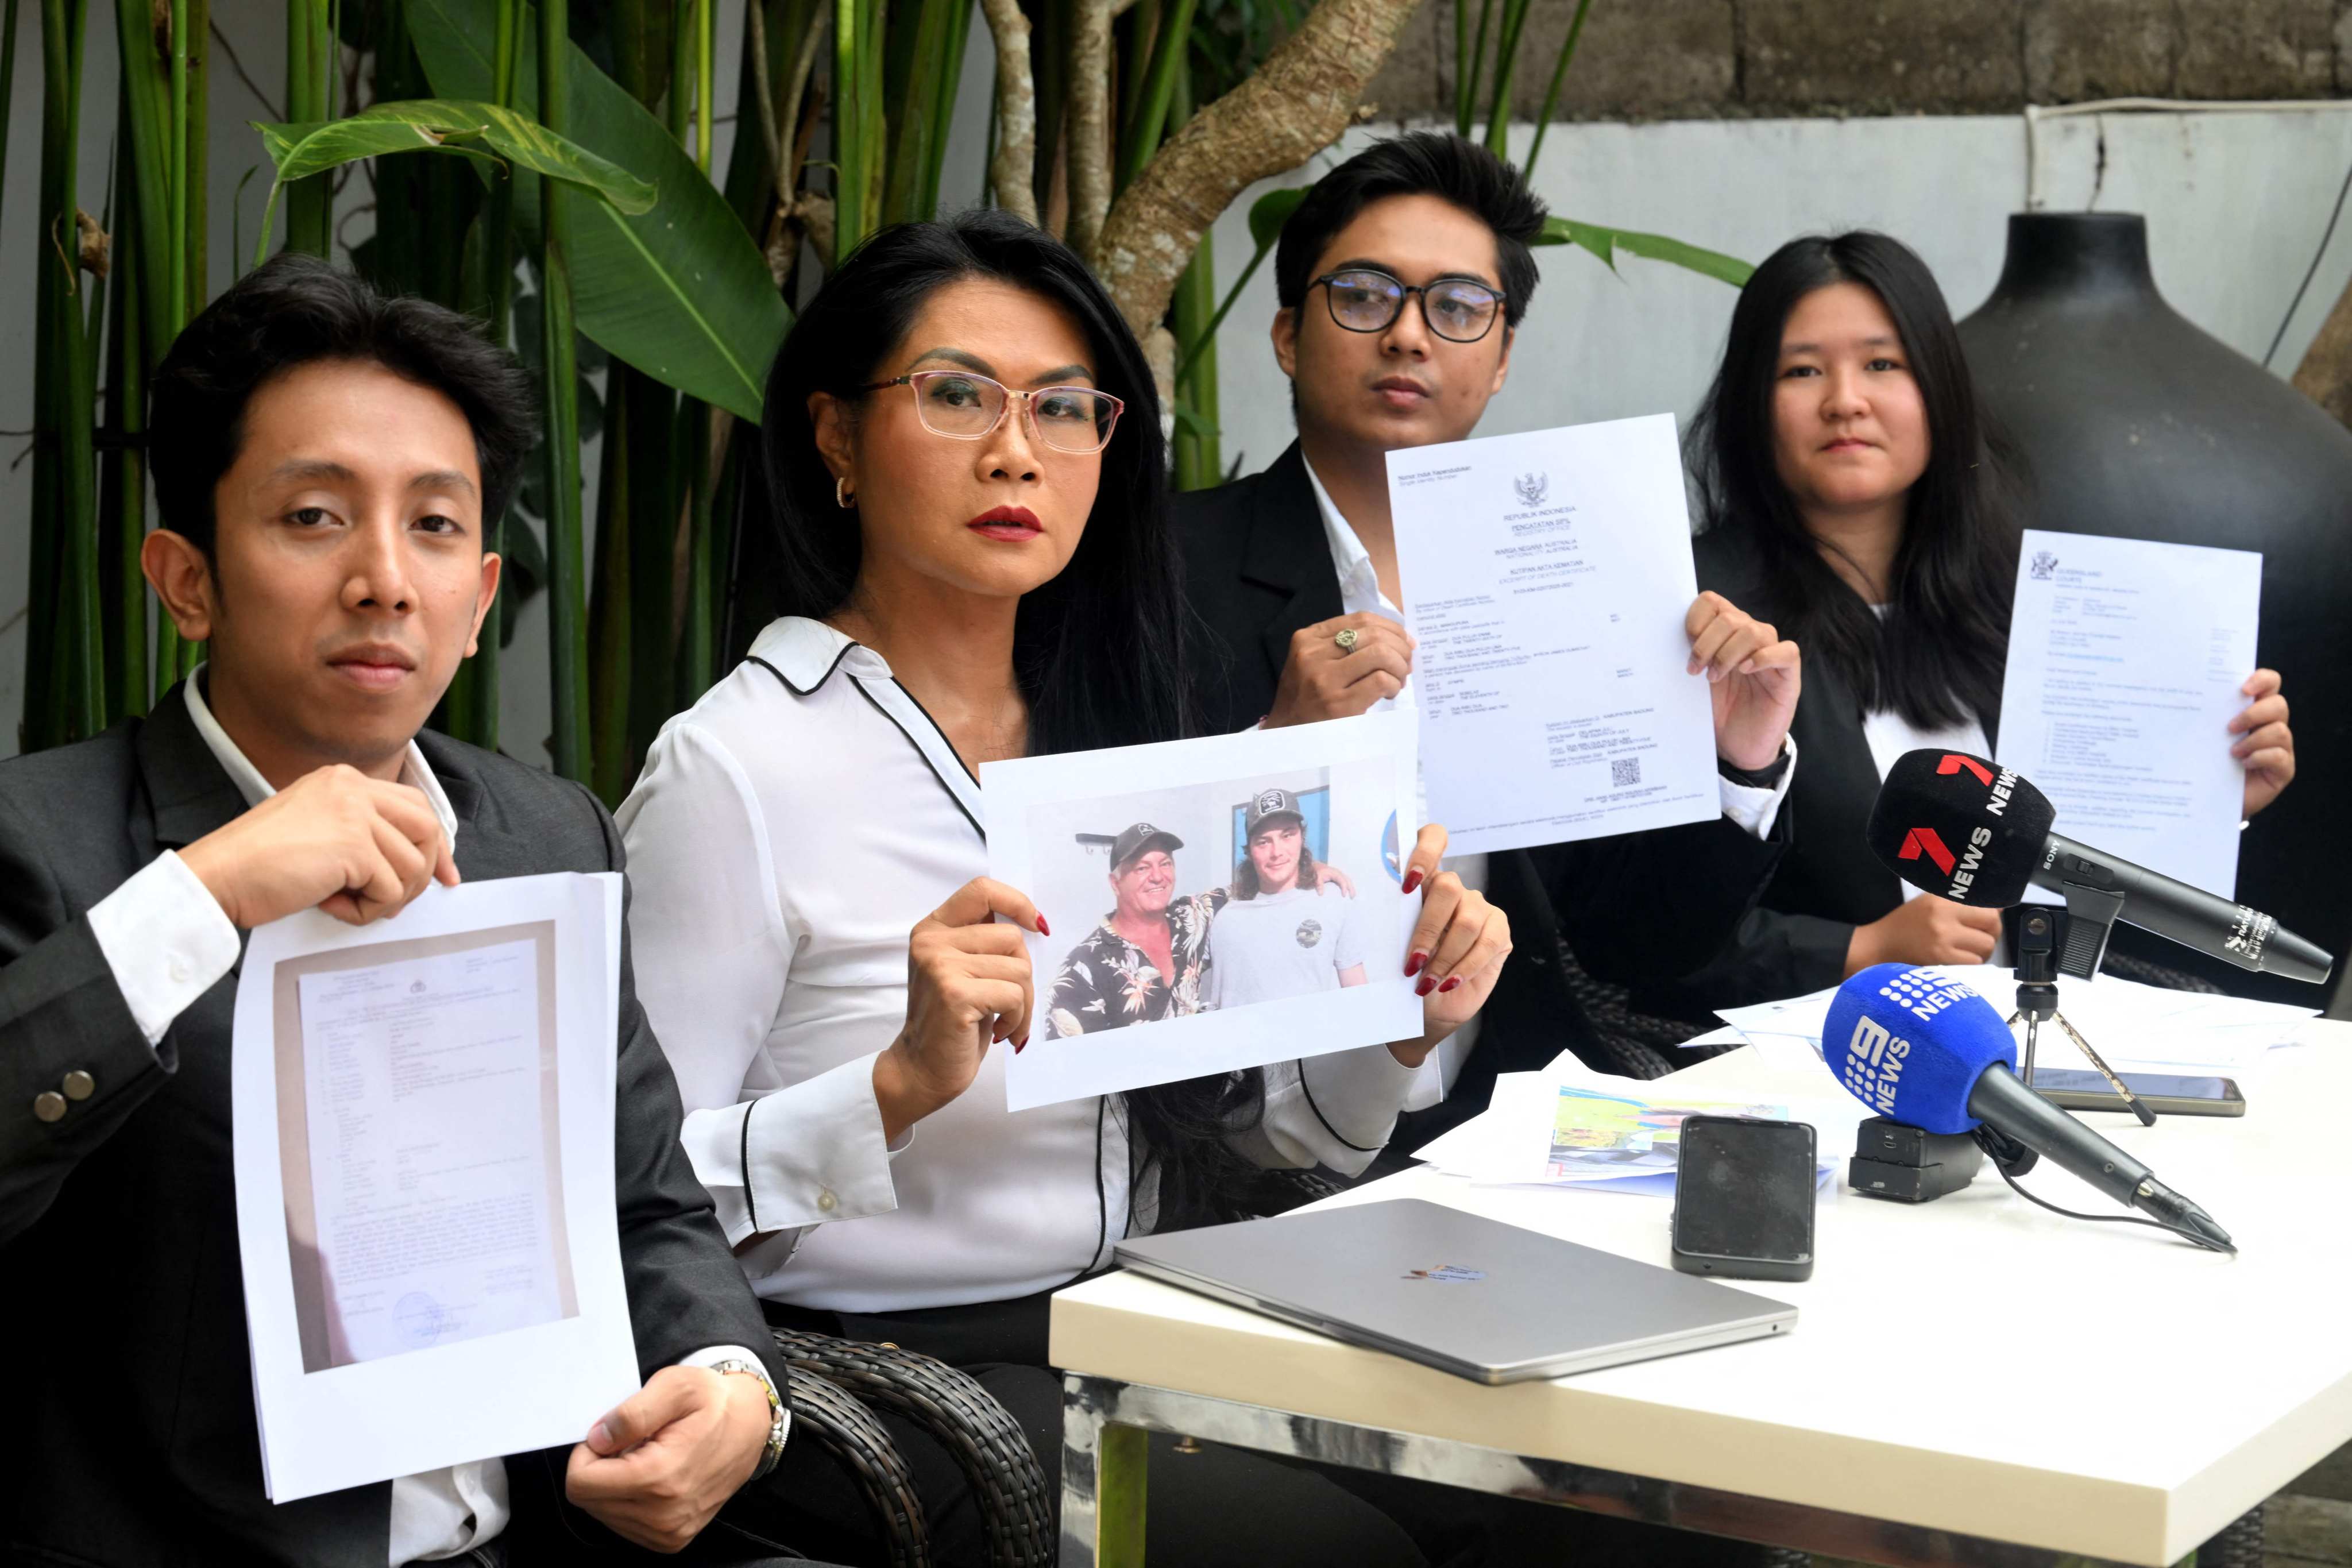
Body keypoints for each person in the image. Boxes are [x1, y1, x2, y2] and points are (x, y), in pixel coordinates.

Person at [616, 211, 1510, 1568]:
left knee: (1553, 1494)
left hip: (1145, 1313)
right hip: (873, 1369)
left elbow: (1273, 1137)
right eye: (957, 395)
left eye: (1065, 409)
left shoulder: (1126, 734)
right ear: (839, 438)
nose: (1016, 450)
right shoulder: (736, 766)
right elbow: (640, 1202)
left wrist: (1399, 1022)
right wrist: (897, 1084)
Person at [0, 256, 817, 1568]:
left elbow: (647, 1203)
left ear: (482, 596)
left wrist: (731, 1381)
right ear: (186, 578)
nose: (385, 578)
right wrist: (206, 892)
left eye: (435, 527)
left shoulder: (551, 834)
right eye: (316, 517)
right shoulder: (39, 843)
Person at [1176, 130, 1805, 1126]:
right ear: (1289, 333)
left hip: (1492, 1119)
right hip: (1235, 1143)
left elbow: (1631, 944)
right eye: (1366, 294)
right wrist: (1279, 755)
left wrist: (1734, 761)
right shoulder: (1165, 571)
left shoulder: (1573, 578)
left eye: (1459, 307)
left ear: (1502, 355)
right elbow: (1121, 914)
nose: (1409, 336)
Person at [1601, 230, 2299, 1017]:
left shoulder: (2033, 605)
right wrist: (1860, 951)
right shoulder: (1699, 621)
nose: (1844, 400)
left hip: (2036, 1041)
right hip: (1802, 1067)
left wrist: (2204, 801)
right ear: (1751, 404)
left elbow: (2083, 901)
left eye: (1881, 364)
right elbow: (1629, 937)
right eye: (1800, 370)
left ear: (1938, 387)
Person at [1041, 817, 1359, 1038]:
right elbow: (1071, 1076)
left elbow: (1270, 876)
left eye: (1165, 863)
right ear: (1115, 882)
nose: (1157, 876)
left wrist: (1314, 867)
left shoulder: (1193, 917)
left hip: (1206, 1100)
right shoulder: (1082, 969)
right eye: (1141, 868)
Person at [1201, 789, 1371, 1007]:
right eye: (1264, 842)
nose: (1277, 852)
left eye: (1287, 835)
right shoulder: (1219, 914)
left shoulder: (1334, 901)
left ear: (1302, 837)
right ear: (1250, 851)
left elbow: (1358, 996)